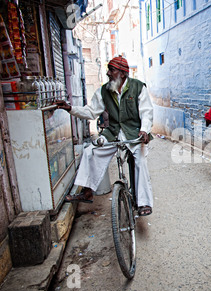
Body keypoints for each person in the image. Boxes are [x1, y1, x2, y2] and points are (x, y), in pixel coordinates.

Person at [56, 56, 154, 216]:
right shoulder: (104, 91)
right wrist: (70, 108)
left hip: (135, 133)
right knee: (90, 151)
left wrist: (144, 130)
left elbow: (146, 112)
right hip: (114, 132)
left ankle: (144, 203)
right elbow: (90, 111)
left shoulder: (138, 87)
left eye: (112, 70)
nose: (108, 73)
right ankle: (87, 191)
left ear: (122, 74)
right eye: (108, 70)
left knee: (141, 161)